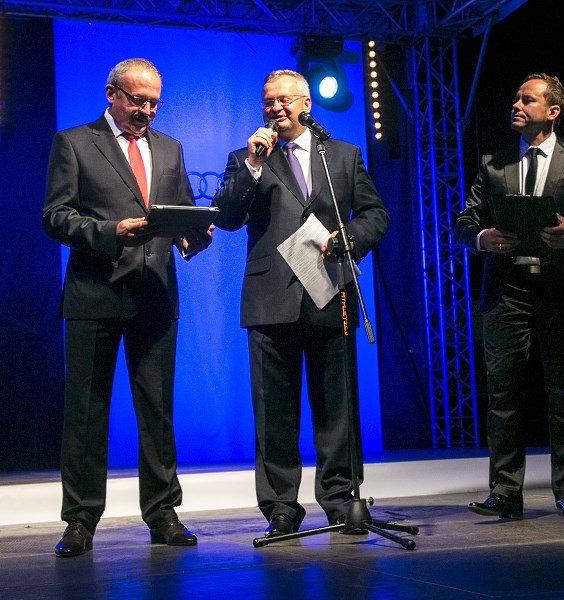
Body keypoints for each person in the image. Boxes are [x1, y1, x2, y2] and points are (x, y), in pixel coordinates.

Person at [42, 58, 212, 557]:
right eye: (139, 100)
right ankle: (80, 521)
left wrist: (194, 236)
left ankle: (163, 514)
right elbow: (55, 217)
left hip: (154, 295)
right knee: (86, 414)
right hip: (95, 295)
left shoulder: (170, 148)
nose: (148, 111)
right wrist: (110, 232)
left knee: (157, 412)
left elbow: (180, 214)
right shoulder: (74, 142)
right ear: (112, 93)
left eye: (155, 102)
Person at [211, 70, 389, 537]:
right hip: (270, 298)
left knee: (337, 407)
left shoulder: (342, 155)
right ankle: (281, 508)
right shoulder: (246, 158)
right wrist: (253, 165)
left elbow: (375, 213)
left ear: (306, 104)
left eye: (284, 100)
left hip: (330, 290)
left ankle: (341, 499)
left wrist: (350, 238)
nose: (276, 108)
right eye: (268, 101)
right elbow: (225, 217)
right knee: (274, 411)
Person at [454, 72, 564, 520]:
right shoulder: (494, 164)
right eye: (515, 98)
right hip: (506, 291)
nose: (516, 105)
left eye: (527, 99)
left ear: (552, 111)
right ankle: (505, 493)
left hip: (563, 292)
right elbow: (464, 222)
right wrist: (482, 237)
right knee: (504, 396)